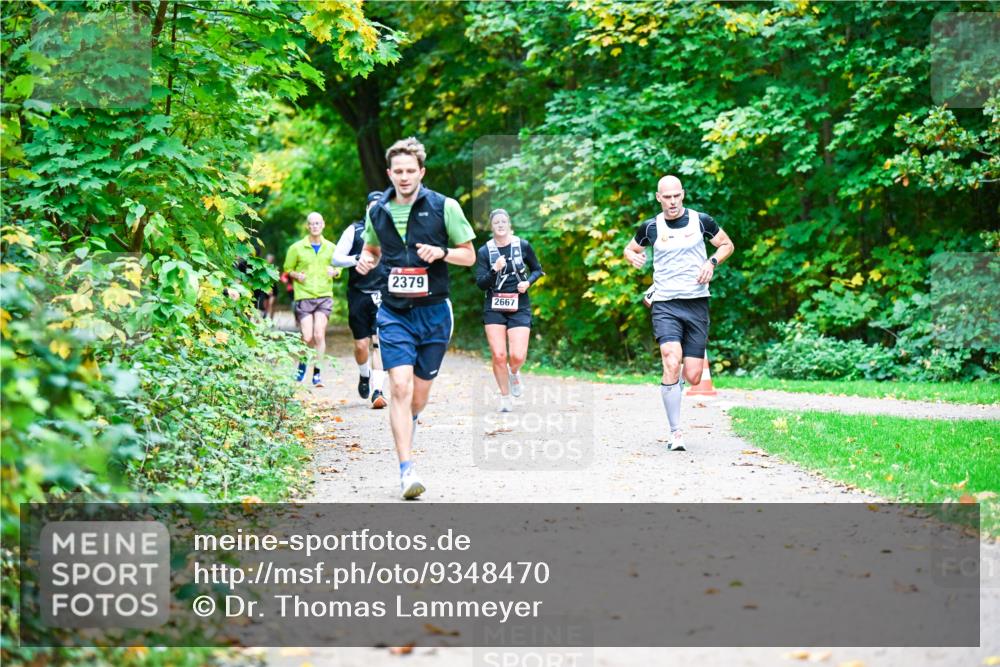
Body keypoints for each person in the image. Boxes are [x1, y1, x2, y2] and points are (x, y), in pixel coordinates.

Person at [356, 137, 476, 499]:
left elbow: (469, 256)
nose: (404, 177)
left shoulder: (444, 206)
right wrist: (367, 261)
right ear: (389, 173)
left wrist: (441, 252)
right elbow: (372, 249)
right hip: (394, 313)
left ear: (421, 172)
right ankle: (406, 470)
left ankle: (410, 423)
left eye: (411, 170)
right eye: (399, 171)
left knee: (418, 398)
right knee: (399, 388)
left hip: (435, 312)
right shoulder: (378, 211)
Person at [623, 175, 734, 452]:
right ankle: (675, 432)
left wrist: (711, 262)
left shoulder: (701, 221)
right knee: (671, 360)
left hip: (696, 302)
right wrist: (632, 256)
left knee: (694, 376)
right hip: (665, 303)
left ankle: (675, 384)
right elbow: (630, 248)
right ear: (658, 198)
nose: (672, 202)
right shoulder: (650, 226)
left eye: (676, 196)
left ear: (682, 194)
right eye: (667, 197)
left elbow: (727, 244)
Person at [475, 208, 544, 412]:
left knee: (517, 356)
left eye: (503, 221)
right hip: (494, 306)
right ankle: (505, 398)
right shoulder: (485, 251)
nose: (500, 225)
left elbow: (537, 269)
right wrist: (494, 269)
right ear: (491, 226)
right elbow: (481, 284)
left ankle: (514, 373)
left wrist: (528, 283)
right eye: (496, 222)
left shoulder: (522, 245)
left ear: (509, 224)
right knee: (498, 355)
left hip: (519, 305)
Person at [333, 192, 390, 409]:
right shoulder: (354, 230)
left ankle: (378, 391)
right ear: (366, 209)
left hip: (382, 294)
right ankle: (364, 374)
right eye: (372, 206)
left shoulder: (391, 232)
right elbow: (336, 258)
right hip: (358, 294)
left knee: (379, 342)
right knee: (361, 345)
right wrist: (356, 258)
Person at [283, 212, 337, 387]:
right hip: (304, 295)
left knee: (319, 334)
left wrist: (335, 272)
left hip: (324, 295)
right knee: (307, 337)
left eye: (317, 223)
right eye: (311, 224)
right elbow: (287, 269)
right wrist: (296, 275)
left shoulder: (331, 247)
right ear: (307, 226)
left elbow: (339, 267)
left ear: (323, 225)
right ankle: (302, 365)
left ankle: (317, 373)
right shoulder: (297, 248)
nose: (314, 226)